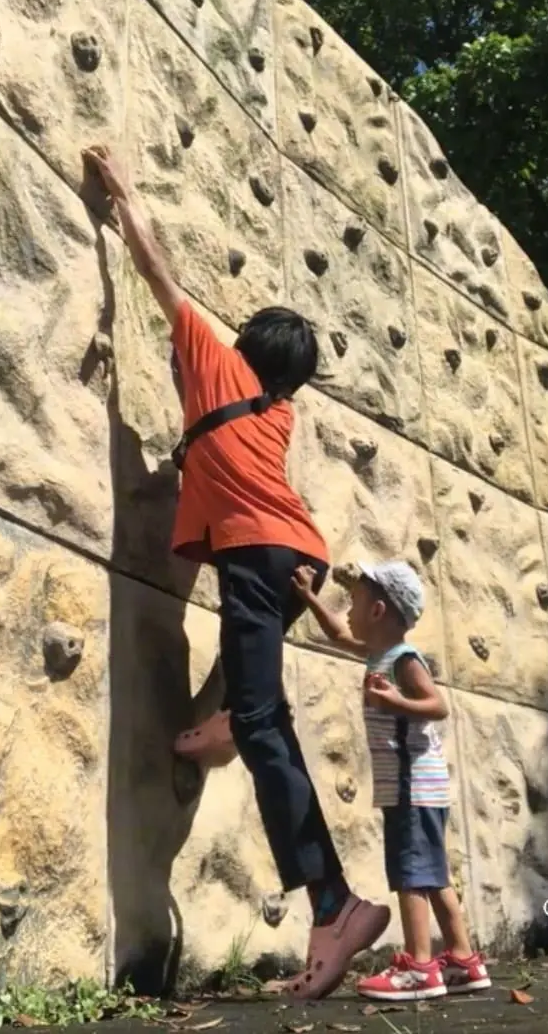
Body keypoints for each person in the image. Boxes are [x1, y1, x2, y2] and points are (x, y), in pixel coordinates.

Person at [82, 145, 390, 1000]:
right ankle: (218, 726)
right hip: (302, 555)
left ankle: (333, 902)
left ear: (247, 346)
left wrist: (128, 197)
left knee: (265, 721)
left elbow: (158, 268)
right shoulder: (280, 408)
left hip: (259, 554)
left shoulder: (221, 365)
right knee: (250, 704)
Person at [292, 559, 492, 1001]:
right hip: (419, 786)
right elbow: (338, 634)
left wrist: (397, 700)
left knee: (411, 873)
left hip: (412, 784)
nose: (348, 609)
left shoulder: (403, 660)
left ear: (378, 611)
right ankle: (462, 959)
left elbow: (437, 705)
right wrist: (310, 599)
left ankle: (420, 965)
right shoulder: (377, 653)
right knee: (434, 875)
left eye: (355, 601)